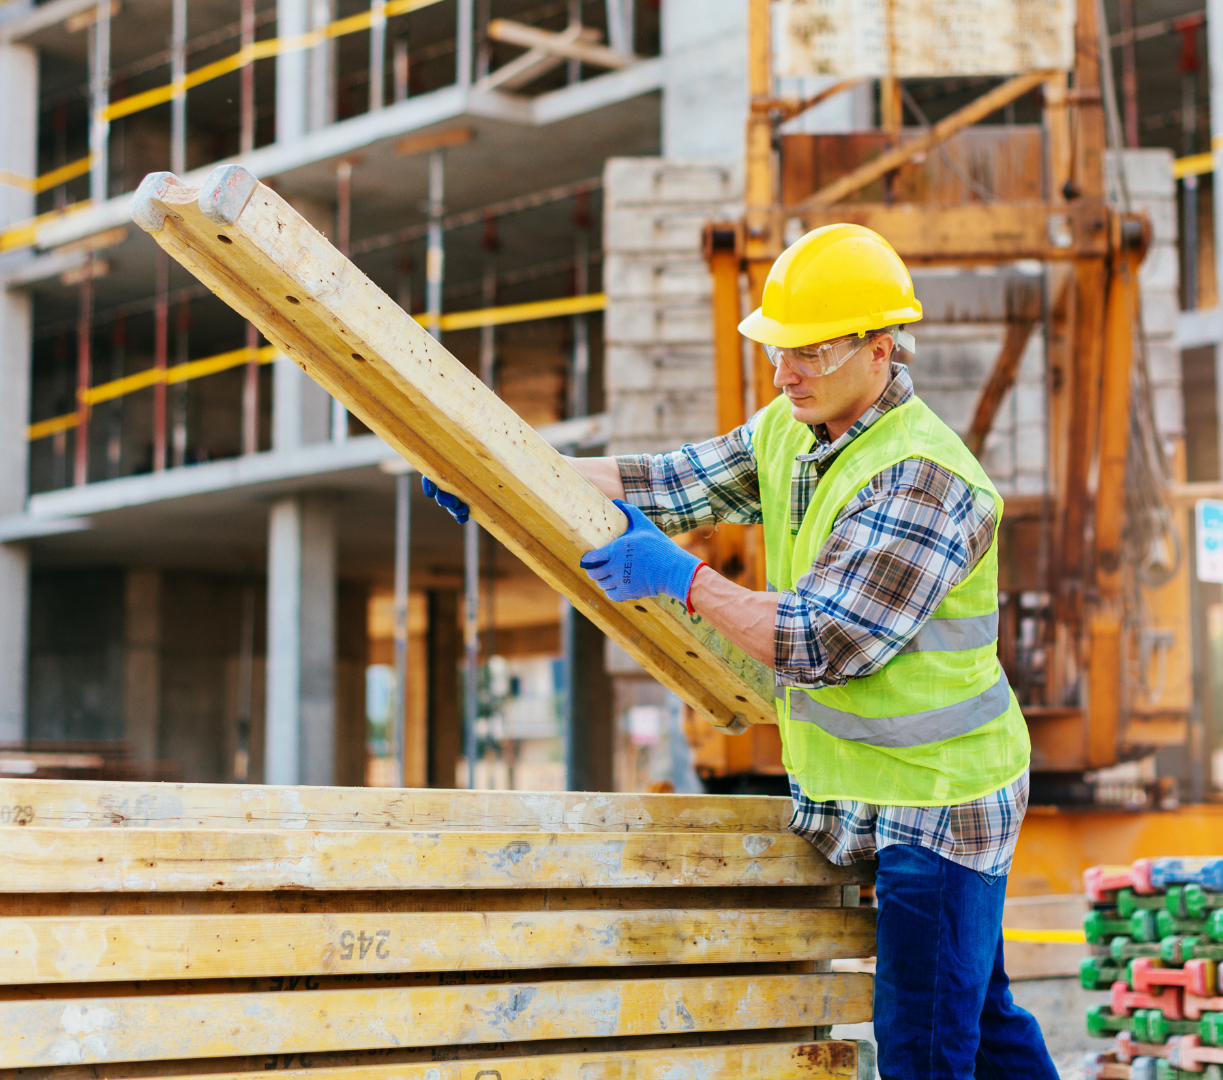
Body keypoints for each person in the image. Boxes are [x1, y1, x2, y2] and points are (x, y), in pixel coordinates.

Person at [425, 223, 1057, 1079]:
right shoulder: (795, 426)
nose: (785, 371)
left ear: (881, 350)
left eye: (811, 351)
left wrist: (682, 579)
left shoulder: (924, 482)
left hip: (943, 800)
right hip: (876, 786)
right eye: (777, 350)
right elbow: (670, 481)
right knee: (976, 1008)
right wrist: (502, 473)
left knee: (923, 1045)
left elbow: (818, 640)